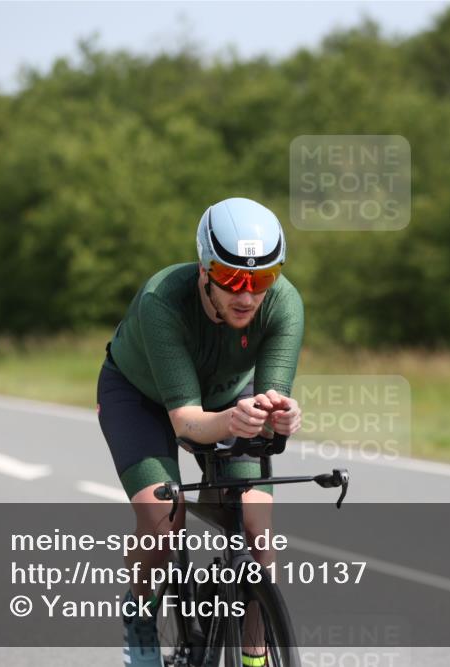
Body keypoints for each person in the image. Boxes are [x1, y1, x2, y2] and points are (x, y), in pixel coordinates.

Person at [96, 197, 304, 667]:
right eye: (232, 278)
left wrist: (282, 415)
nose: (247, 295)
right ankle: (141, 617)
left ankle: (254, 656)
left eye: (262, 279)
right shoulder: (163, 300)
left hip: (228, 395)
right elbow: (187, 421)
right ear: (204, 269)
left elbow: (270, 397)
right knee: (163, 520)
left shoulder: (285, 303)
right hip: (142, 398)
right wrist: (232, 420)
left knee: (257, 532)